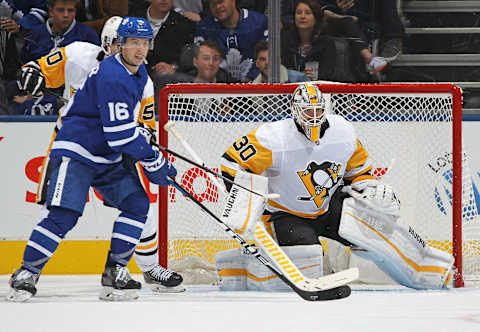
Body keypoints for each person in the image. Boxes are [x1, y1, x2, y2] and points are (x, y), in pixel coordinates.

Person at [6, 16, 178, 302]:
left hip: (107, 155)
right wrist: (153, 160)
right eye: (133, 42)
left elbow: (135, 128)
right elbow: (119, 135)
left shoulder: (140, 75)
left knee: (137, 204)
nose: (139, 49)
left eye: (144, 43)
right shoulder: (112, 74)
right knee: (63, 214)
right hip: (79, 150)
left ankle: (117, 272)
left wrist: (146, 142)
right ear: (119, 44)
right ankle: (27, 272)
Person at [219, 82, 454, 291]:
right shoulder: (273, 137)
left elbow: (359, 171)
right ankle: (239, 269)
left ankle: (427, 270)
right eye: (307, 111)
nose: (313, 116)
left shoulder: (342, 132)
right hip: (285, 214)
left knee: (378, 224)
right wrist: (245, 204)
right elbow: (230, 163)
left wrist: (368, 188)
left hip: (327, 207)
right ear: (294, 111)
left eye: (318, 110)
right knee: (306, 259)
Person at [281, 0, 385, 83]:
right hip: (290, 91)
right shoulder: (286, 39)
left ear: (315, 18)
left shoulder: (325, 42)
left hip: (321, 92)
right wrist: (300, 76)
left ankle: (369, 58)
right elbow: (283, 70)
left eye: (308, 13)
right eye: (298, 13)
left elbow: (328, 73)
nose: (302, 16)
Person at [195, 0, 268, 82]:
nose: (218, 7)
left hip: (257, 86)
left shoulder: (260, 22)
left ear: (233, 1)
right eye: (213, 4)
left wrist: (250, 79)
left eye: (221, 2)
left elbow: (268, 58)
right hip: (220, 87)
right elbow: (200, 62)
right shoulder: (204, 27)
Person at [20, 0, 100, 64]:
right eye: (60, 10)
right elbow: (23, 66)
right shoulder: (35, 34)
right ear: (51, 11)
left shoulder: (88, 35)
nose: (66, 15)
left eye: (70, 10)